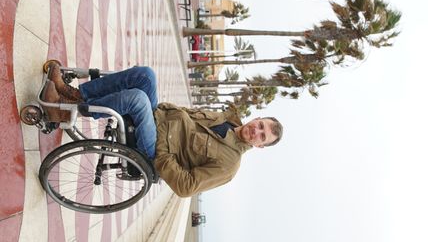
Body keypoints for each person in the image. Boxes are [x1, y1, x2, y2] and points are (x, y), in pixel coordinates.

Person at [43, 63, 283, 197]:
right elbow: (189, 116)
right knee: (146, 75)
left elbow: (186, 187)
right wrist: (166, 109)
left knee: (137, 99)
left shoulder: (229, 166)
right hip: (161, 118)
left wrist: (164, 157)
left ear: (259, 146)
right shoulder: (227, 119)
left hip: (156, 149)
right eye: (260, 125)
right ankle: (75, 95)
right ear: (257, 117)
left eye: (262, 136)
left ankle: (64, 113)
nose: (256, 131)